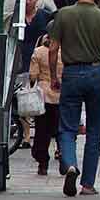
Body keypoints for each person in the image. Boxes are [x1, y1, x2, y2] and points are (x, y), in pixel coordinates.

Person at [49, 0, 100, 197]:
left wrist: (54, 75)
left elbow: (52, 49)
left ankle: (70, 164)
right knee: (94, 130)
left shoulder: (63, 14)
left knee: (68, 127)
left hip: (71, 73)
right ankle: (88, 184)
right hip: (96, 73)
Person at [19, 0, 50, 151]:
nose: (27, 2)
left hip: (42, 65)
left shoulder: (45, 17)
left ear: (37, 0)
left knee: (40, 99)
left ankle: (40, 132)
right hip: (21, 62)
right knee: (23, 98)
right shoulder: (17, 19)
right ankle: (25, 135)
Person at [30, 29, 62, 176]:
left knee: (42, 130)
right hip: (62, 94)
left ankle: (43, 163)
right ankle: (64, 156)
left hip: (43, 95)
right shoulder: (67, 51)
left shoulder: (38, 52)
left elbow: (33, 75)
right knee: (62, 129)